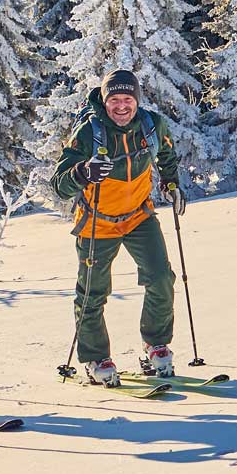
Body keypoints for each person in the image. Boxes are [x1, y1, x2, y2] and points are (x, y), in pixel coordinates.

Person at [53, 68, 186, 385]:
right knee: (92, 293)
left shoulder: (151, 125)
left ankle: (155, 345)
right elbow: (59, 185)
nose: (122, 106)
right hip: (97, 223)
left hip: (139, 216)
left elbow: (166, 153)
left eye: (128, 99)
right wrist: (84, 171)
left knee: (161, 277)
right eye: (114, 100)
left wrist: (171, 184)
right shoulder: (88, 133)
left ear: (137, 101)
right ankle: (96, 357)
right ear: (104, 100)